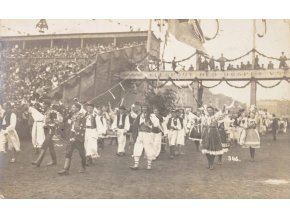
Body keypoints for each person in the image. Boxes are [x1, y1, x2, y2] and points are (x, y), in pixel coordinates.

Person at [200, 103, 233, 170]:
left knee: (213, 149)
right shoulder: (205, 117)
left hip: (214, 134)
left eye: (210, 110)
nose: (209, 111)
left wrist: (224, 107)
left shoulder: (216, 116)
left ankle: (211, 164)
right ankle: (209, 163)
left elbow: (222, 112)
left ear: (213, 111)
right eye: (208, 110)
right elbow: (203, 125)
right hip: (206, 134)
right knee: (206, 149)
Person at [58, 103, 86, 175]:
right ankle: (65, 169)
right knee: (68, 151)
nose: (72, 108)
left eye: (73, 107)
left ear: (78, 108)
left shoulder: (82, 116)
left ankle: (83, 167)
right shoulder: (73, 115)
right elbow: (70, 125)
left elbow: (83, 128)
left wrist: (77, 136)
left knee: (81, 153)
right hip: (72, 135)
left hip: (78, 136)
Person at [31, 100, 60, 167]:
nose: (43, 106)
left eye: (44, 104)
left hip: (50, 130)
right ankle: (54, 161)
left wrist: (50, 126)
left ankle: (38, 161)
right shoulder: (46, 112)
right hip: (46, 130)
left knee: (45, 145)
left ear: (47, 105)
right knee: (51, 146)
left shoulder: (52, 112)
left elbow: (56, 122)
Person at [131, 105, 155, 170]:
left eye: (145, 107)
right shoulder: (140, 115)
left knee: (148, 148)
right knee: (137, 147)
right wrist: (132, 108)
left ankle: (149, 165)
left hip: (147, 134)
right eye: (143, 108)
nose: (144, 109)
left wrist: (149, 124)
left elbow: (156, 124)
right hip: (140, 133)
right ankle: (136, 164)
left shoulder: (151, 116)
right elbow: (133, 116)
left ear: (148, 108)